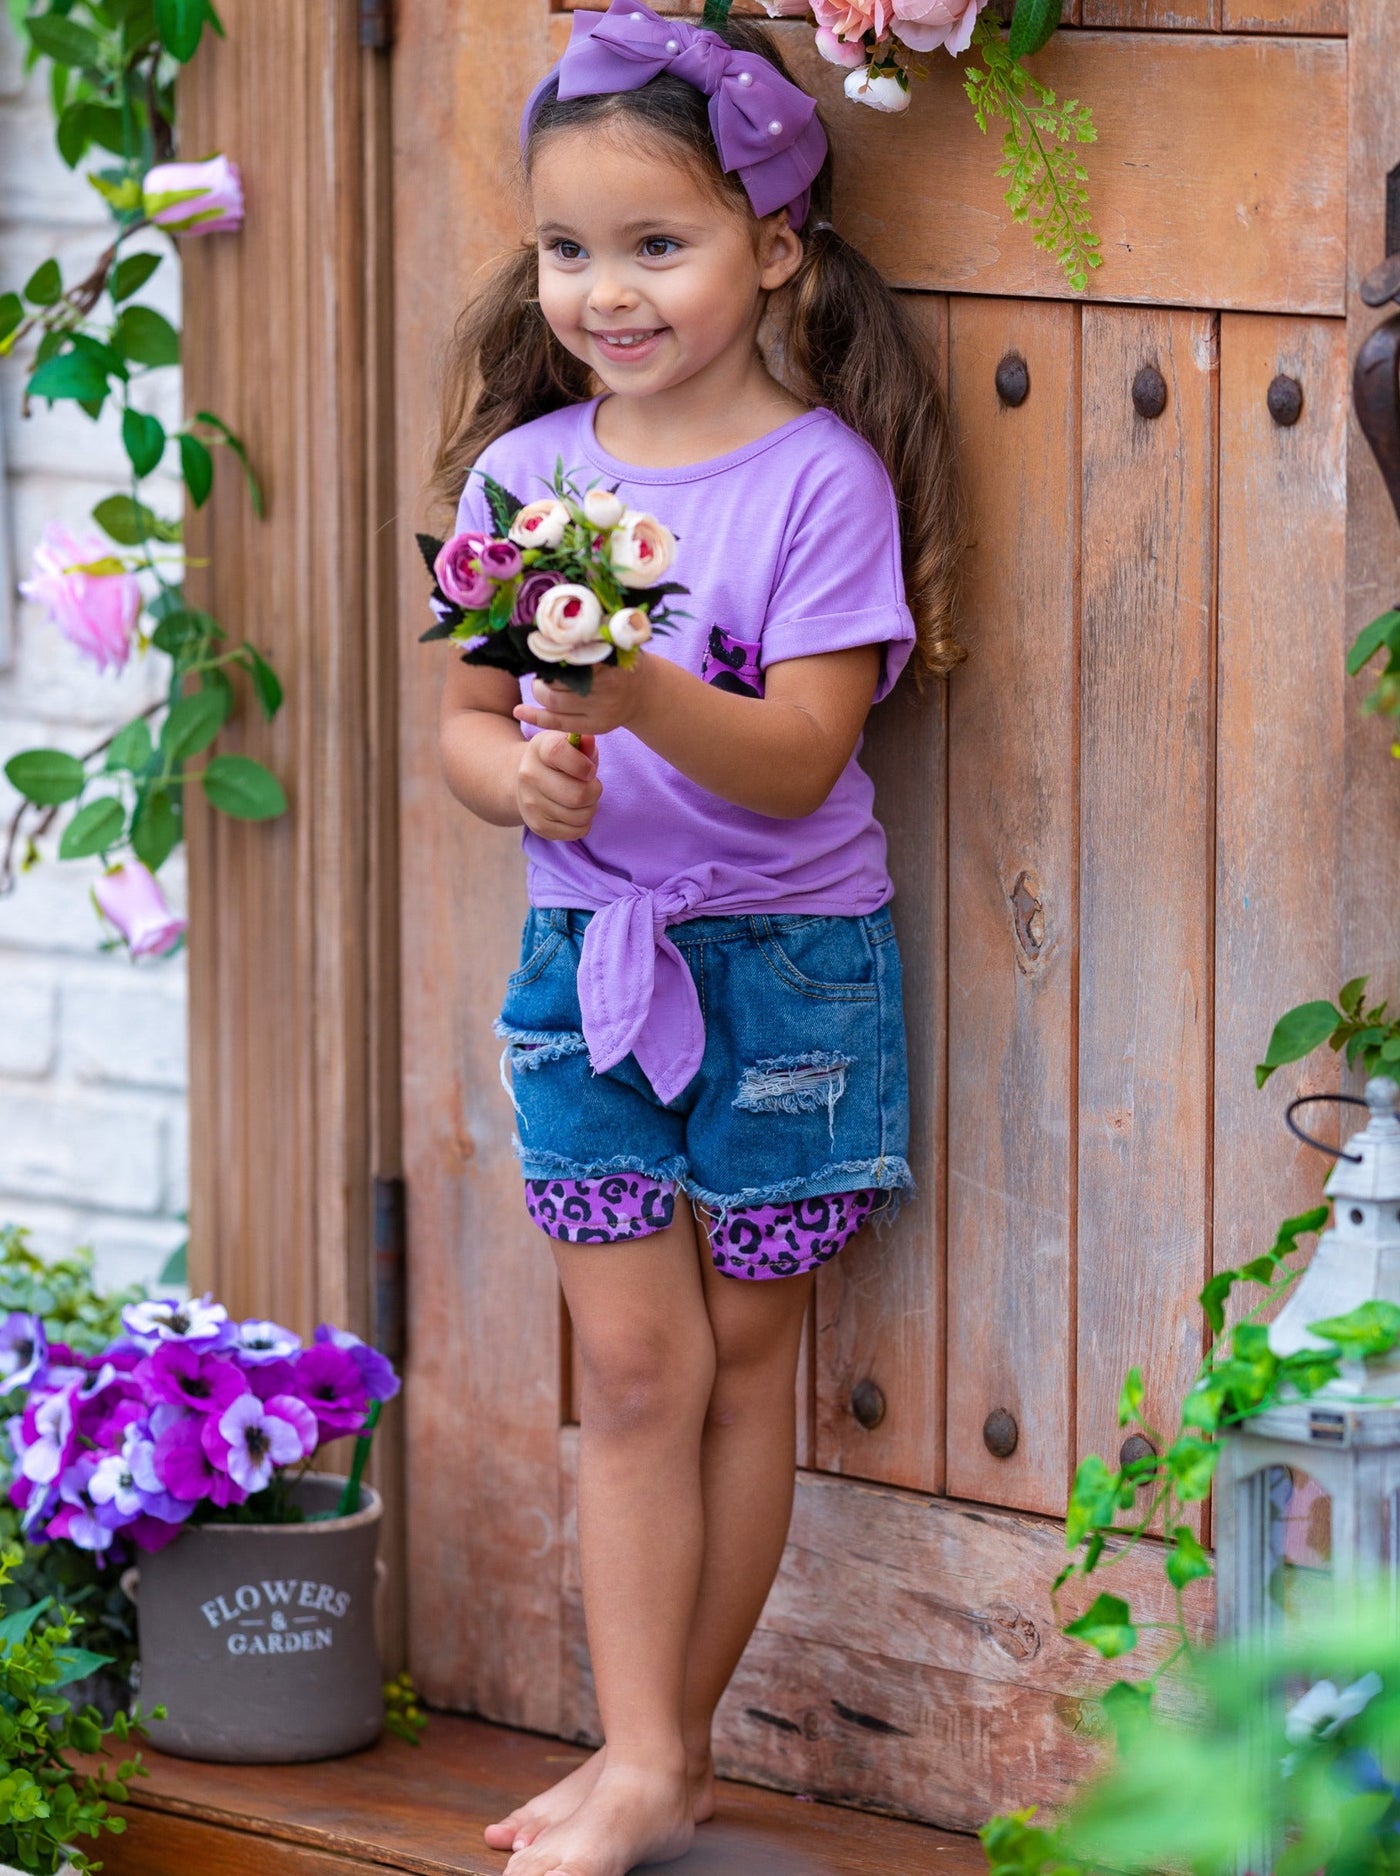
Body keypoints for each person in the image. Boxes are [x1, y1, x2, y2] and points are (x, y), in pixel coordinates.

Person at [434, 6, 962, 1872]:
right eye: (570, 250)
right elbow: (470, 724)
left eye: (655, 245)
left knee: (744, 1362)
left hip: (785, 971)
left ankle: (664, 1758)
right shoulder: (526, 482)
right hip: (589, 965)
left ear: (773, 248)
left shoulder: (821, 481)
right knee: (638, 1371)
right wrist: (524, 785)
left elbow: (799, 754)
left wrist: (641, 694)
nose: (605, 292)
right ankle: (643, 1751)